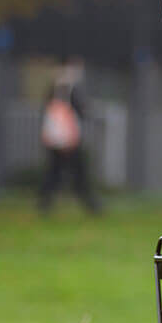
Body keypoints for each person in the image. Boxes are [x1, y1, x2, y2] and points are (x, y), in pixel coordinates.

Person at [37, 56, 100, 214]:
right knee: (78, 174)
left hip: (54, 140)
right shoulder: (71, 90)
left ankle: (44, 204)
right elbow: (81, 112)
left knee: (54, 173)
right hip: (68, 140)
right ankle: (91, 205)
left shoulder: (53, 89)